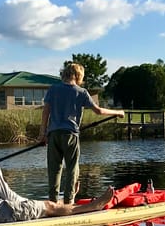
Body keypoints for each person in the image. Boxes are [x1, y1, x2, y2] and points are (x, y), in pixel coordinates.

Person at [37, 61, 124, 203]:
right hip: (70, 134)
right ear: (78, 76)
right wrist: (118, 112)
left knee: (54, 170)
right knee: (72, 169)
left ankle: (52, 201)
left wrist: (42, 134)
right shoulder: (81, 92)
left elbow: (45, 112)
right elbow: (99, 111)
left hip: (53, 135)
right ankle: (68, 201)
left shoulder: (53, 89)